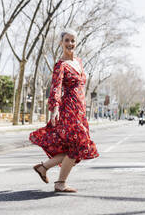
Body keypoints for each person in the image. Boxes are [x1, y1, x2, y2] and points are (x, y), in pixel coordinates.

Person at [29, 29, 99, 193]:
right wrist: (54, 110)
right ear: (61, 43)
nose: (70, 44)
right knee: (77, 147)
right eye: (67, 40)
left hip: (80, 110)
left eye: (73, 40)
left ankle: (44, 168)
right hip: (68, 110)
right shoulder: (60, 65)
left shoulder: (79, 62)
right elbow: (56, 88)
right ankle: (59, 182)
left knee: (76, 148)